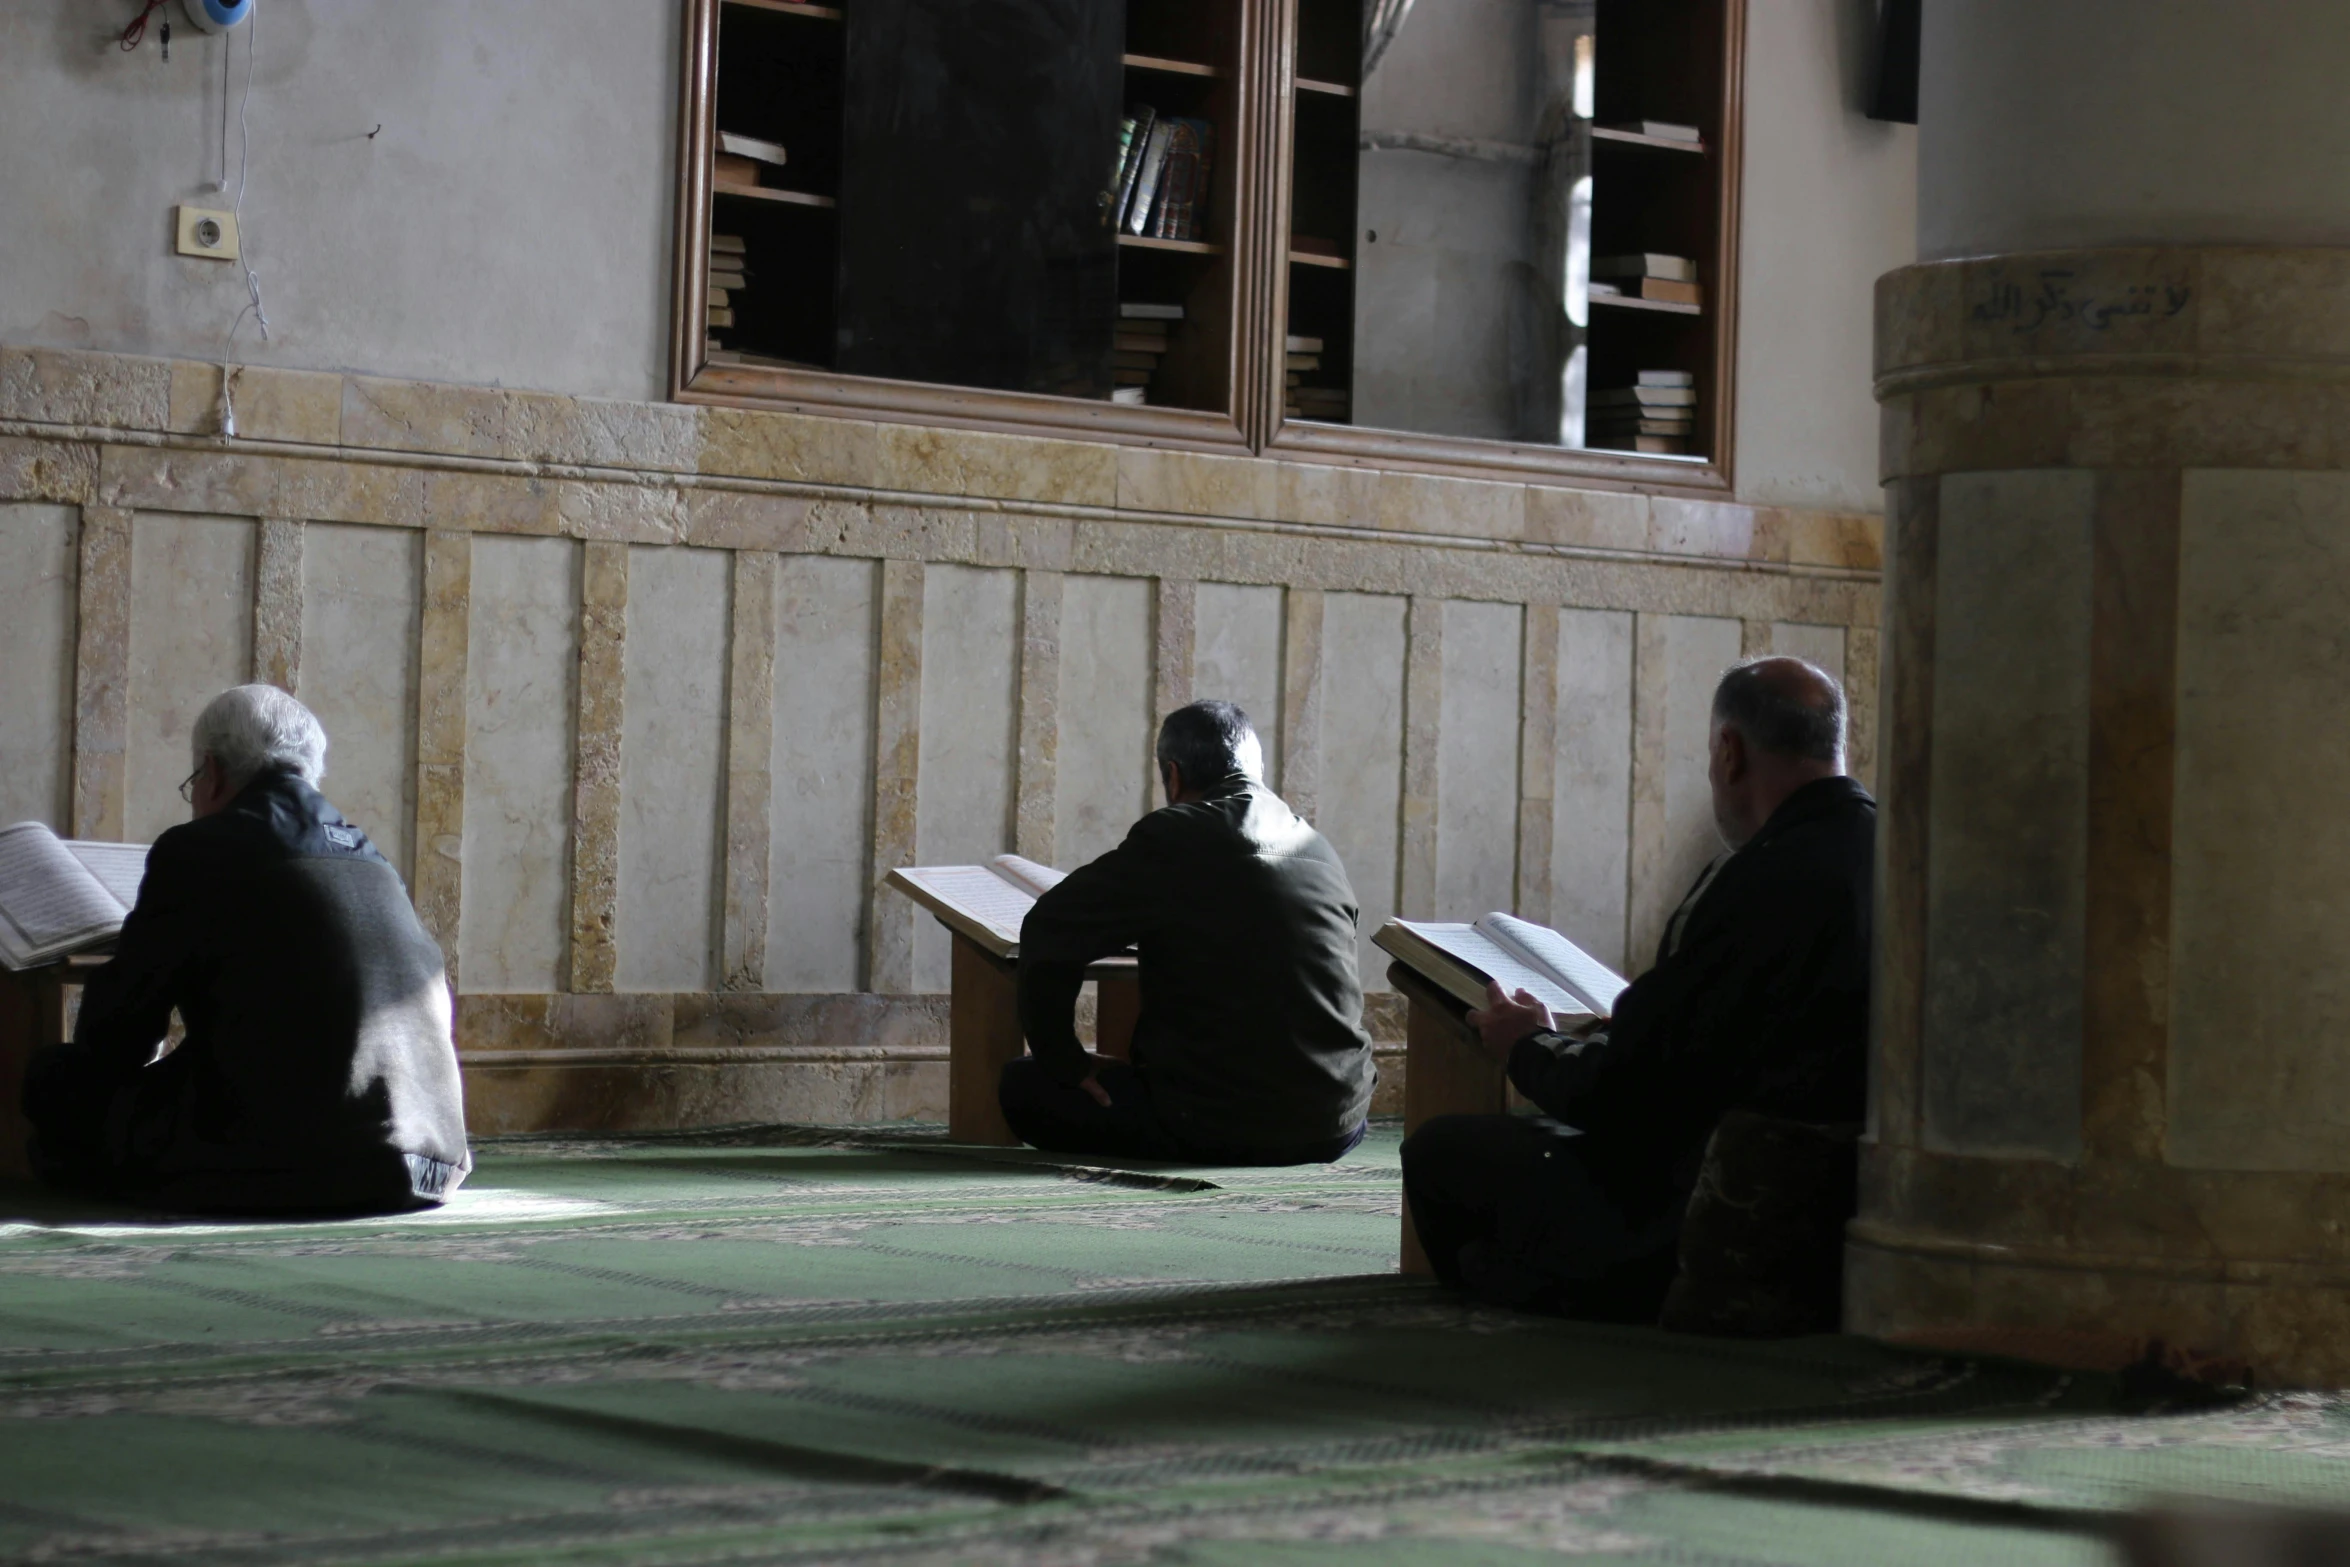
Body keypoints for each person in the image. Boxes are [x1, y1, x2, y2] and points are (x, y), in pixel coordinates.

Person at [1401, 656, 1873, 1319]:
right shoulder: (1901, 854)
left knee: (1442, 1152)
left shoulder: (1751, 881)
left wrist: (1527, 1045)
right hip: (1863, 1207)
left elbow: (1630, 1093)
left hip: (1714, 1207)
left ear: (1730, 752)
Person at [23, 685, 471, 1212]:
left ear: (211, 772)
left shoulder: (197, 850)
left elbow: (118, 1036)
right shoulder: (370, 856)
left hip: (299, 1158)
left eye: (193, 783)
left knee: (53, 1082)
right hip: (430, 1160)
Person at [999, 700, 1376, 1164]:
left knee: (1022, 1085)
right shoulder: (1317, 846)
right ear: (1255, 772)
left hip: (1212, 1123)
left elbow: (1048, 927)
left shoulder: (1175, 834)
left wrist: (1065, 1060)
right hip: (1337, 1122)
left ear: (1173, 776)